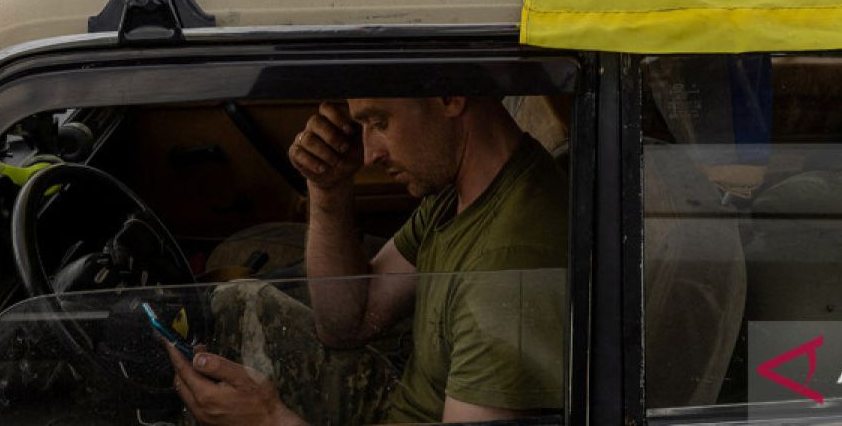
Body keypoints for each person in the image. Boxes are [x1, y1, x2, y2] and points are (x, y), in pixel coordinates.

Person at [166, 95, 569, 425]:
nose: (369, 153)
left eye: (379, 122)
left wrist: (267, 419)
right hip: (398, 406)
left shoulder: (507, 268)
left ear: (451, 97)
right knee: (235, 307)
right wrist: (328, 189)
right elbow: (349, 320)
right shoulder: (462, 191)